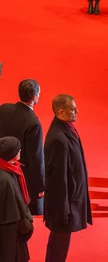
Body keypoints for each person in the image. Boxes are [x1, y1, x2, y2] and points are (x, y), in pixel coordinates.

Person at [44, 94, 92, 262]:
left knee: (60, 243)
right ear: (61, 112)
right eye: (72, 109)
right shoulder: (58, 139)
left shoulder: (66, 127)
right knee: (59, 245)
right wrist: (63, 210)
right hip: (63, 206)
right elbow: (58, 180)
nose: (77, 111)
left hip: (68, 202)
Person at [0, 79, 44, 216]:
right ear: (35, 97)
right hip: (20, 174)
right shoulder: (33, 123)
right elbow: (36, 158)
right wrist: (40, 186)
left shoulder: (3, 108)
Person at [0, 137, 34, 262]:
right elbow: (16, 205)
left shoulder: (8, 168)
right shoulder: (5, 179)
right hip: (10, 230)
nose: (20, 151)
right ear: (11, 154)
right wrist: (27, 223)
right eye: (17, 150)